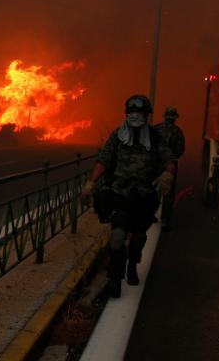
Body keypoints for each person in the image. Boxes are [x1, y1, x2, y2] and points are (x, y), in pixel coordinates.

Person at [80, 95, 176, 298]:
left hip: (145, 196)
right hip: (120, 194)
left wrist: (168, 174)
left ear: (146, 115)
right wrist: (90, 184)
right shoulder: (118, 135)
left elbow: (169, 159)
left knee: (138, 236)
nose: (134, 115)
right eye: (131, 112)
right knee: (117, 237)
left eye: (139, 112)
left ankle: (133, 263)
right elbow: (103, 160)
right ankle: (115, 280)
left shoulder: (155, 137)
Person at [154, 107, 185, 231]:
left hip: (155, 164)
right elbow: (181, 150)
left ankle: (150, 214)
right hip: (170, 165)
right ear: (175, 118)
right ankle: (165, 220)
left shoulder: (155, 129)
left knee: (153, 188)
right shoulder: (177, 132)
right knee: (168, 193)